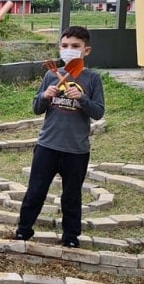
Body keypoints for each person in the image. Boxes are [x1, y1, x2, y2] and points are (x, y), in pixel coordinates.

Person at [14, 26, 105, 248]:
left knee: (72, 196)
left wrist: (82, 98)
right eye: (65, 46)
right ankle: (23, 231)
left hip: (76, 149)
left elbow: (98, 112)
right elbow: (37, 108)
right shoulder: (51, 75)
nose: (69, 50)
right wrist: (45, 95)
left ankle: (71, 237)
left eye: (75, 46)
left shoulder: (92, 78)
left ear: (87, 50)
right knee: (36, 191)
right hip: (47, 145)